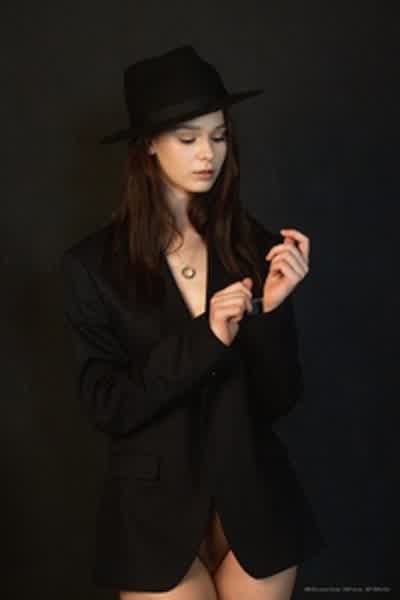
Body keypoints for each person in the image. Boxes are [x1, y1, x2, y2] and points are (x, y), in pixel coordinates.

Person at [60, 45, 326, 600]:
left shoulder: (254, 246)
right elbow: (108, 405)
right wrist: (206, 337)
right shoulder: (93, 266)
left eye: (219, 136)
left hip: (256, 502)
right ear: (148, 146)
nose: (208, 153)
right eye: (188, 138)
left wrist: (272, 311)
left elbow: (279, 400)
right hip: (153, 517)